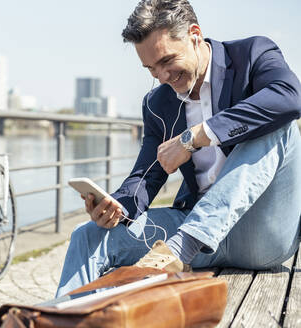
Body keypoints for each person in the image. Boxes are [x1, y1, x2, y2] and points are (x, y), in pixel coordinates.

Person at [56, 0, 301, 297]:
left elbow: (289, 98)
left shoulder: (252, 55)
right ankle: (62, 317)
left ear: (194, 34)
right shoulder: (157, 104)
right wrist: (115, 208)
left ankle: (184, 244)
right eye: (150, 69)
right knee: (88, 237)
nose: (161, 77)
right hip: (186, 233)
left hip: (261, 235)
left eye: (166, 61)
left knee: (276, 123)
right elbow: (145, 177)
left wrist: (198, 135)